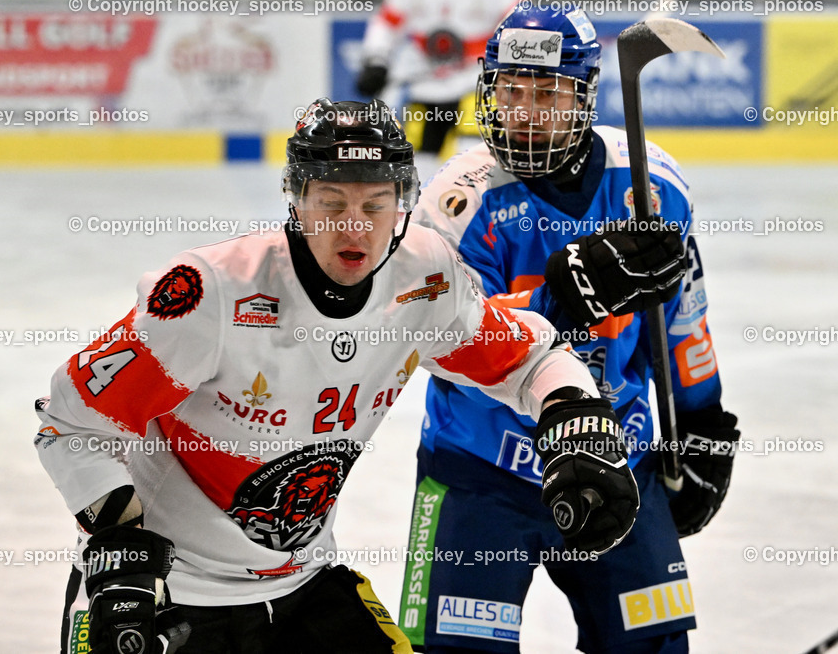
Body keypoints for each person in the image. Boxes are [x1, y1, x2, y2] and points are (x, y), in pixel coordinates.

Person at [34, 97, 640, 654]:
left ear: (401, 204)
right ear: (296, 201)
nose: (355, 227)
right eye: (331, 203)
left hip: (306, 585)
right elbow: (70, 419)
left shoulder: (424, 278)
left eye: (375, 205)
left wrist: (574, 417)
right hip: (168, 595)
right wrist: (116, 542)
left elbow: (527, 357)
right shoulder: (212, 293)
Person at [397, 4, 740, 653]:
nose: (525, 110)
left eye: (548, 92)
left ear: (584, 96)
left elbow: (684, 323)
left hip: (621, 455)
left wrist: (704, 425)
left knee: (653, 648)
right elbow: (448, 345)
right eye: (511, 90)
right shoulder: (457, 200)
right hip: (482, 468)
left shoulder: (652, 186)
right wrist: (561, 294)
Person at [356, 0, 525, 158]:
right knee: (416, 157)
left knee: (474, 153)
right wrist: (376, 61)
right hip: (423, 85)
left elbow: (520, 23)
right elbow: (386, 23)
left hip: (476, 84)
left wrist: (513, 66)